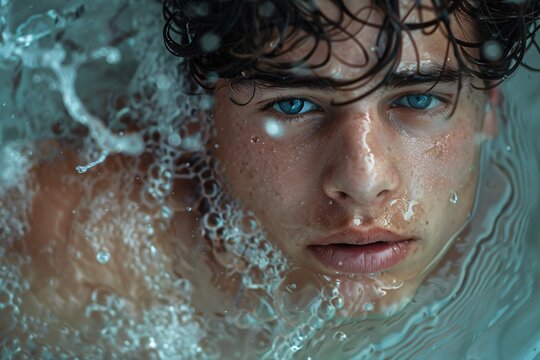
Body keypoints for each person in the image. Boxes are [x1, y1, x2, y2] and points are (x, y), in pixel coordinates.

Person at [3, 0, 539, 357]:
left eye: (418, 99)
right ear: (201, 112)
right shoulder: (76, 246)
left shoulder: (525, 235)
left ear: (487, 106)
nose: (364, 179)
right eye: (296, 103)